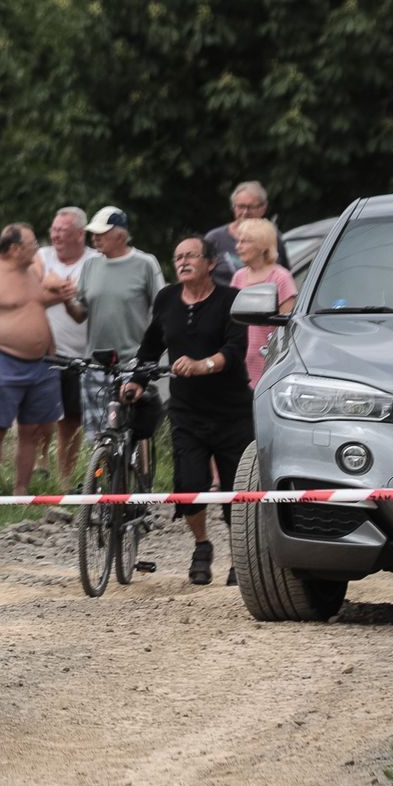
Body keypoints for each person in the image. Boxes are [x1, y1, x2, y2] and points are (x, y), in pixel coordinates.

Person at [123, 235, 253, 586]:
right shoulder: (166, 299)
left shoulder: (231, 299)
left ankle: (238, 556)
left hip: (232, 411)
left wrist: (203, 365)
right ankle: (201, 546)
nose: (182, 262)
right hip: (186, 411)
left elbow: (236, 348)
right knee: (189, 484)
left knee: (235, 491)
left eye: (190, 256)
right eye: (177, 256)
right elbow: (150, 346)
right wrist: (136, 380)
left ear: (210, 263)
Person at [0, 224, 64, 493]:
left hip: (41, 364)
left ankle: (21, 489)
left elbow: (36, 305)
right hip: (5, 361)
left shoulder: (34, 272)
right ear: (14, 249)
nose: (37, 249)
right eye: (32, 245)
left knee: (31, 430)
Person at [65, 206, 164, 429]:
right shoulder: (90, 264)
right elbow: (80, 314)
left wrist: (151, 355)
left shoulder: (145, 263)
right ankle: (102, 464)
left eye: (101, 234)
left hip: (132, 362)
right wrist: (65, 300)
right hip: (96, 363)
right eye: (94, 234)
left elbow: (161, 307)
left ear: (120, 235)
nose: (95, 239)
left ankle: (139, 462)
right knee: (99, 435)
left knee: (130, 430)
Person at [37, 206, 92, 467]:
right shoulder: (43, 255)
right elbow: (34, 295)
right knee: (41, 415)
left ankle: (64, 480)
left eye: (62, 231)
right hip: (45, 353)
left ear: (80, 235)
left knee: (71, 420)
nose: (56, 236)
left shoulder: (93, 261)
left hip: (79, 355)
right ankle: (40, 468)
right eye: (54, 229)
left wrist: (51, 285)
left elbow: (87, 305)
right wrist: (61, 287)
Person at [230, 217, 297, 388]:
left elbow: (286, 328)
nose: (238, 247)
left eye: (244, 241)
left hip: (268, 360)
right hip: (240, 360)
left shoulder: (281, 277)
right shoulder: (238, 276)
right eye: (238, 241)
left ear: (261, 244)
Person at [205, 180, 290, 288]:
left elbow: (286, 275)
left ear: (263, 208)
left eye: (250, 207)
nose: (245, 212)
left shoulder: (273, 237)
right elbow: (200, 278)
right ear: (233, 207)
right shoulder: (214, 239)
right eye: (240, 206)